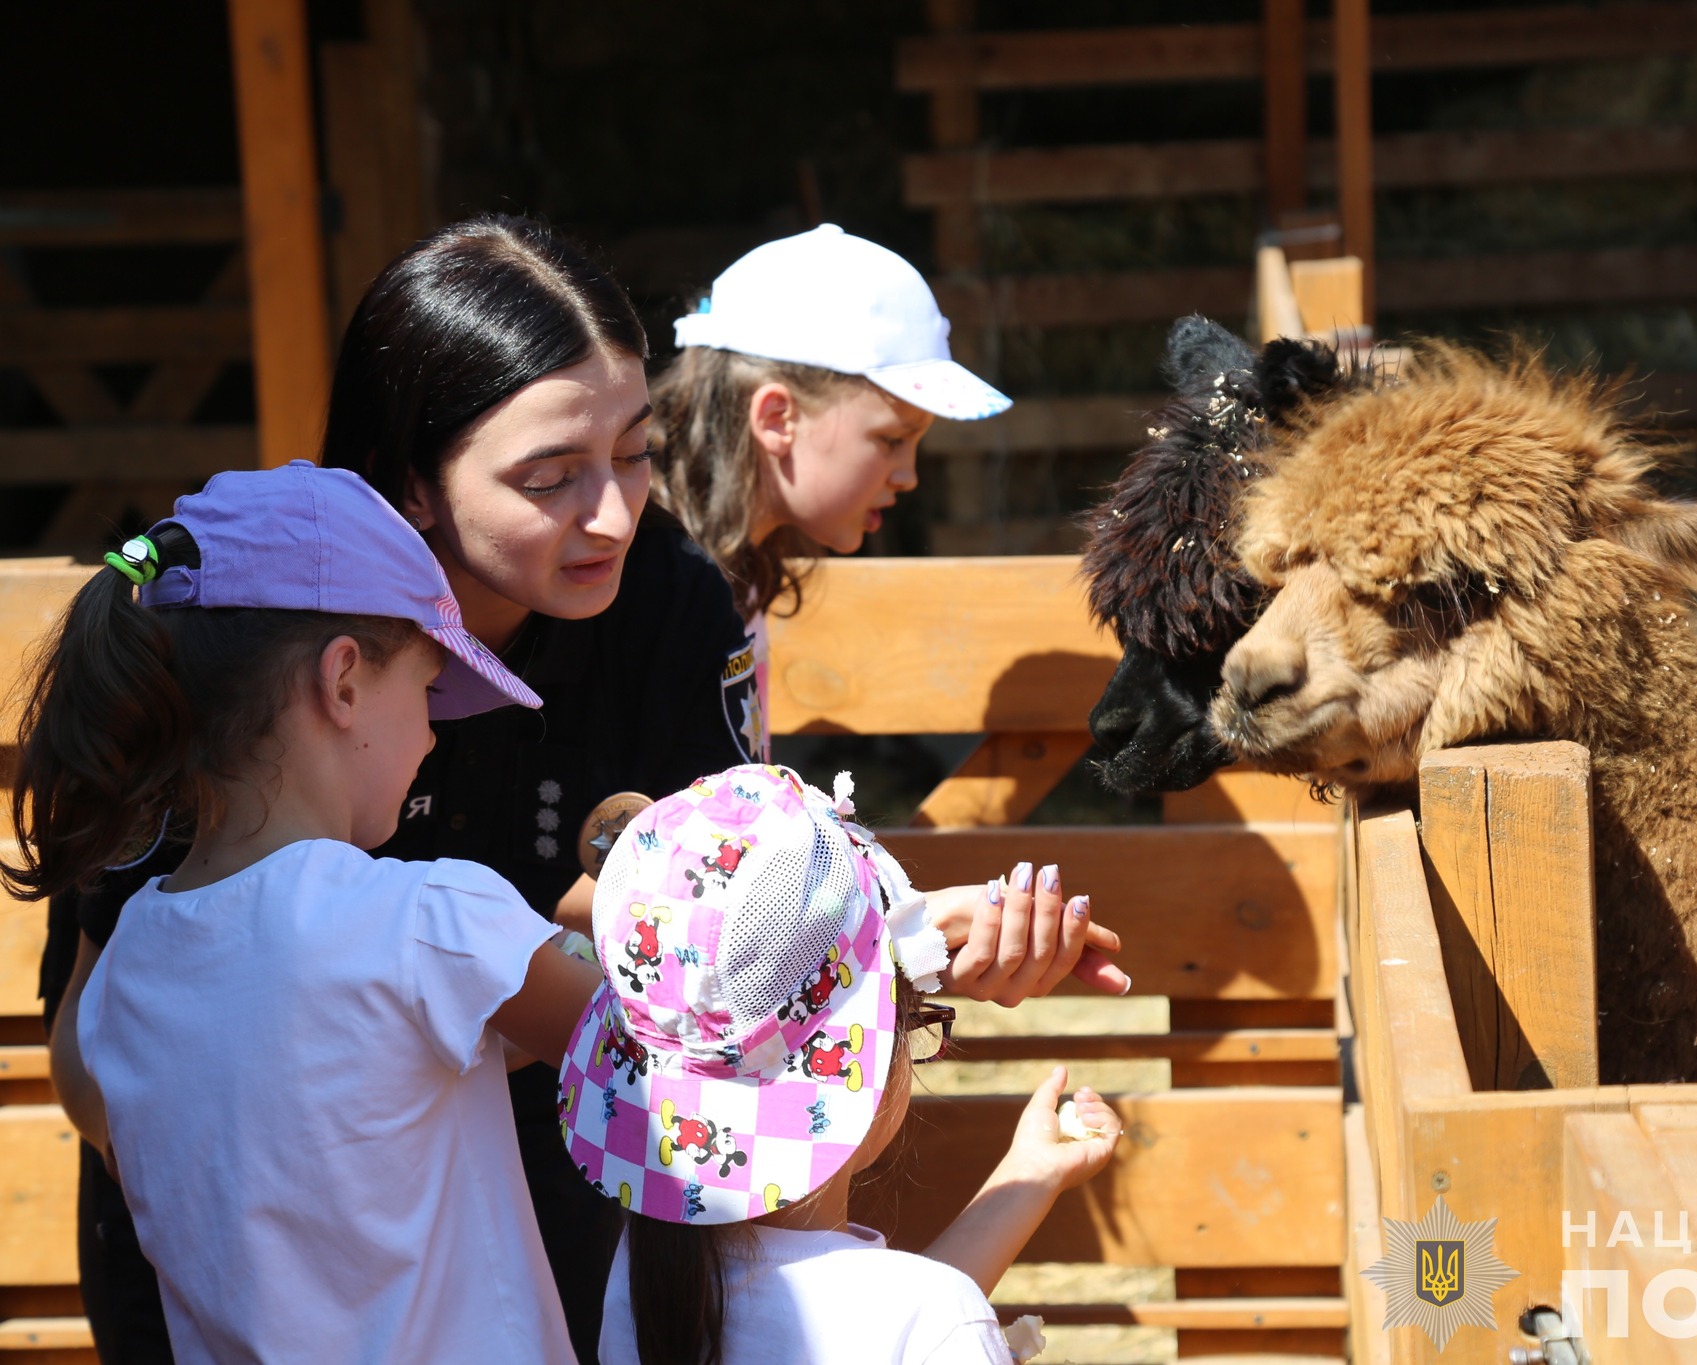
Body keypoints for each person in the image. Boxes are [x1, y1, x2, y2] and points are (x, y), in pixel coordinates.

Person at [37, 214, 1125, 1364]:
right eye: (552, 478)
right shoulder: (235, 636)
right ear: (412, 483)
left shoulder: (669, 606)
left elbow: (716, 921)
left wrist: (883, 949)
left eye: (637, 452)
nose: (612, 512)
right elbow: (97, 1069)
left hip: (551, 1238)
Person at [10, 462, 603, 1363]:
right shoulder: (424, 916)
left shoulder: (125, 974)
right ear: (345, 681)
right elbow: (635, 1028)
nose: (436, 733)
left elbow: (346, 1079)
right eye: (428, 687)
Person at [557, 764, 1122, 1365]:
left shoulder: (642, 1279)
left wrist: (1027, 1178)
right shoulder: (934, 1316)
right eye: (911, 1017)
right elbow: (911, 1328)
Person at [648, 223, 1009, 724]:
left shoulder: (740, 572)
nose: (909, 477)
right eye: (891, 440)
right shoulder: (651, 587)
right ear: (778, 419)